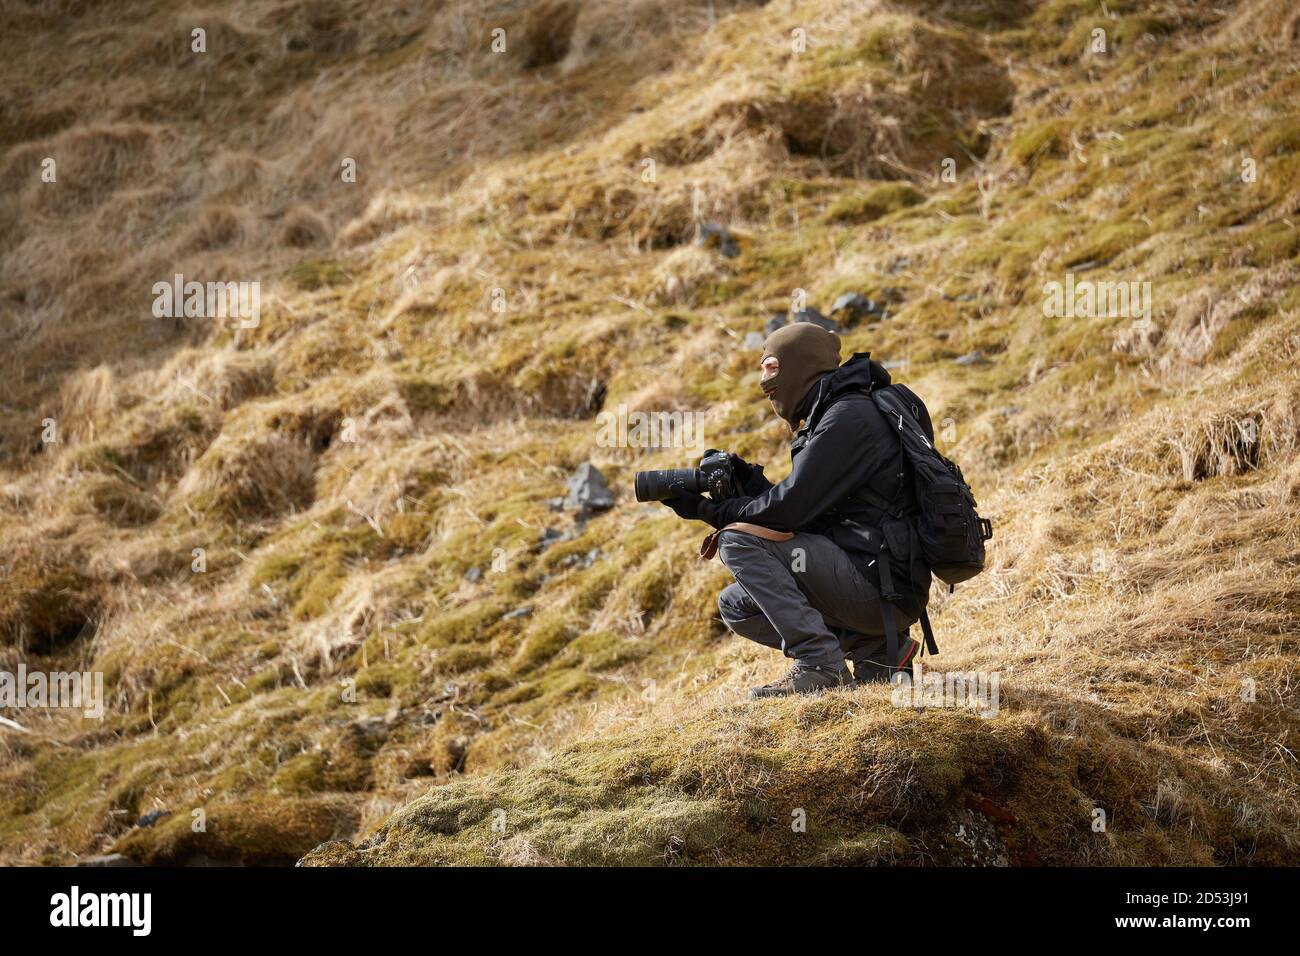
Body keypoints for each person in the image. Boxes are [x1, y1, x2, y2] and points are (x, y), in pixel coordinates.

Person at [661, 322, 931, 698]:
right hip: (878, 580)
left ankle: (821, 664)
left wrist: (712, 513)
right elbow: (809, 510)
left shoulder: (848, 418)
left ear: (801, 364)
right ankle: (877, 650)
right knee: (737, 606)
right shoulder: (837, 413)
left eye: (771, 368)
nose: (763, 381)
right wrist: (749, 481)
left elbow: (789, 510)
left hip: (879, 587)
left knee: (736, 541)